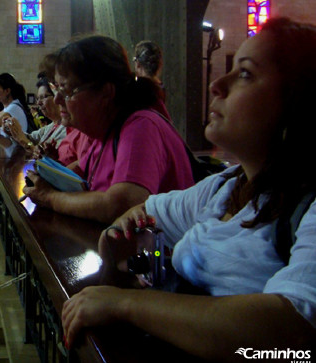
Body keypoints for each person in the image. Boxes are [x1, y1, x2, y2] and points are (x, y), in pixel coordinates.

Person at [61, 18, 316, 360]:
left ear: (298, 100)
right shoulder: (224, 187)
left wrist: (126, 304)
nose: (217, 84)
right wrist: (117, 239)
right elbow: (141, 213)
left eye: (245, 74)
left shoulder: (308, 206)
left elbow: (291, 330)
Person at [22, 35, 194, 224]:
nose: (57, 100)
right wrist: (46, 177)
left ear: (106, 92)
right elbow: (78, 171)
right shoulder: (105, 131)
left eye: (67, 91)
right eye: (57, 90)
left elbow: (119, 205)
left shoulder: (140, 127)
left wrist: (49, 197)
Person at [5, 77, 67, 155]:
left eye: (44, 97)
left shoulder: (66, 129)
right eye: (38, 98)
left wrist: (26, 143)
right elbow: (31, 138)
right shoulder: (52, 125)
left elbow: (51, 159)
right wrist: (12, 130)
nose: (39, 103)